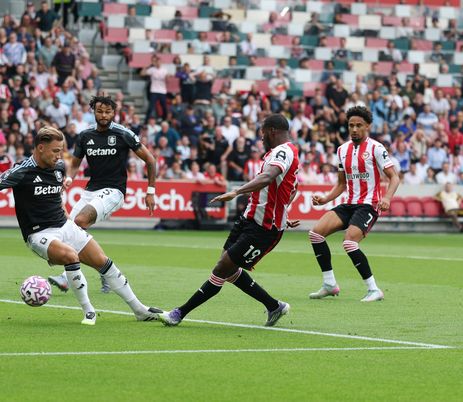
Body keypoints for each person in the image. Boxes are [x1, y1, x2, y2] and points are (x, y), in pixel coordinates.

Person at [0, 126, 161, 325]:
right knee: (70, 255)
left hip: (64, 225)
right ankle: (89, 311)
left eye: (61, 150)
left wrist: (68, 222)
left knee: (103, 261)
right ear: (40, 148)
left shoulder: (59, 168)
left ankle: (139, 310)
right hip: (38, 233)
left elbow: (56, 197)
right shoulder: (22, 171)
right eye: (55, 151)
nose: (59, 156)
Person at [158, 114, 299, 327]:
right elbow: (289, 188)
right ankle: (274, 306)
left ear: (272, 131)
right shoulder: (278, 153)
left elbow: (268, 178)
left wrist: (236, 192)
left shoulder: (283, 151)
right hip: (250, 219)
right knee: (228, 268)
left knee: (222, 268)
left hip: (264, 228)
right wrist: (283, 211)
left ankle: (179, 313)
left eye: (262, 131)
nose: (260, 137)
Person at [48, 95, 157, 293]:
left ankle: (66, 279)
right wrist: (70, 178)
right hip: (90, 190)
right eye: (100, 111)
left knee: (80, 221)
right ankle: (104, 270)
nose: (104, 115)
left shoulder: (124, 134)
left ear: (114, 113)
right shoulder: (84, 136)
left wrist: (150, 191)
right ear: (94, 112)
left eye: (108, 111)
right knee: (66, 232)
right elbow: (75, 163)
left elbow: (150, 160)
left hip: (114, 191)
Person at [309, 106, 400, 302]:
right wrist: (325, 199)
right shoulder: (342, 150)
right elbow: (341, 184)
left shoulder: (376, 148)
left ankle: (374, 289)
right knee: (316, 234)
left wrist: (387, 198)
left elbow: (394, 178)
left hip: (369, 205)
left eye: (359, 125)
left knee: (349, 242)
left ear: (367, 126)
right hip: (349, 204)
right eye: (351, 125)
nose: (354, 129)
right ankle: (329, 284)